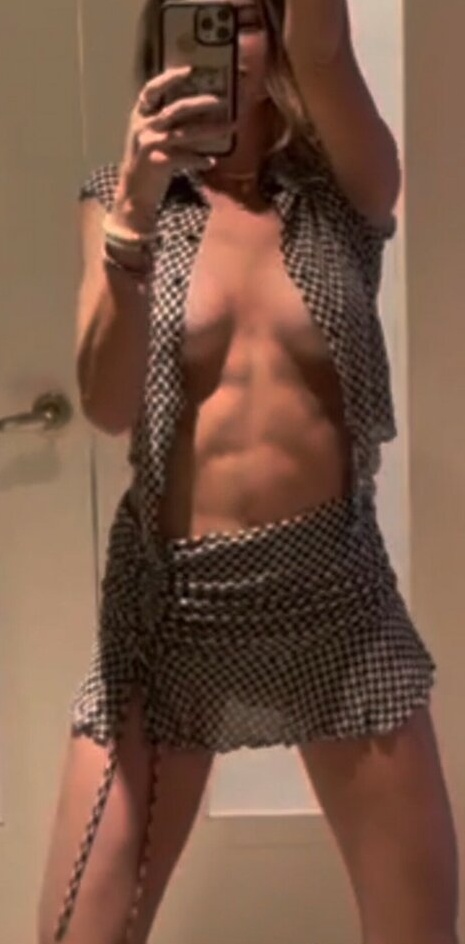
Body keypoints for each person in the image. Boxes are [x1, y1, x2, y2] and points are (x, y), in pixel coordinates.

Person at [38, 1, 459, 942]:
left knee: (418, 926)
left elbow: (326, 44)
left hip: (336, 599)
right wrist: (133, 214)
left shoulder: (342, 189)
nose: (222, 44)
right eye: (199, 17)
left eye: (242, 18)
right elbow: (106, 403)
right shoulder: (118, 197)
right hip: (168, 610)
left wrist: (311, 36)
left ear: (278, 36)